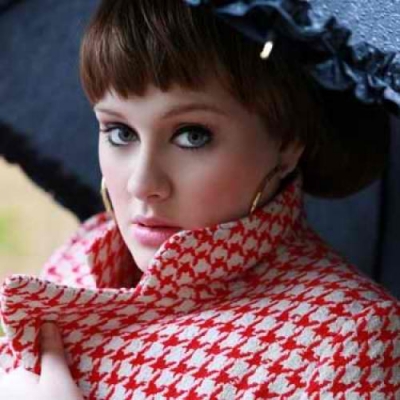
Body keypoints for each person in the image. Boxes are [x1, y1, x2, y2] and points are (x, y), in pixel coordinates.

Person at [0, 0, 399, 399]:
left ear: (287, 143)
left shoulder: (353, 339)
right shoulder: (84, 254)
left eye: (192, 135)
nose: (142, 183)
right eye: (120, 132)